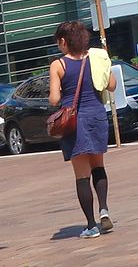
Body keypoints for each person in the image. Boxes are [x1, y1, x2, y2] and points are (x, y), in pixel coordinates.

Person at [49, 20, 114, 239]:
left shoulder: (58, 65)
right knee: (98, 166)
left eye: (59, 42)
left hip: (74, 122)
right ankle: (104, 209)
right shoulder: (96, 58)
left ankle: (91, 225)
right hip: (97, 115)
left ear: (64, 41)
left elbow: (54, 99)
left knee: (81, 176)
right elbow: (111, 85)